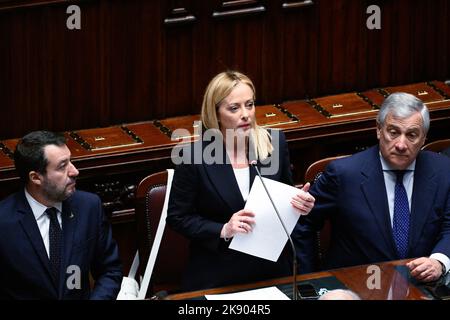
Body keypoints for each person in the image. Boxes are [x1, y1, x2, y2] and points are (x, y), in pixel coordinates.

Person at [167, 71, 315, 291]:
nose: (246, 114)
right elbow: (178, 217)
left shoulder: (274, 144)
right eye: (234, 108)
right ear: (216, 113)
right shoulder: (193, 158)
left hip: (271, 269)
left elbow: (282, 200)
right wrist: (223, 229)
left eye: (250, 104)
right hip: (218, 273)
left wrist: (299, 206)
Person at [296, 92, 450, 283]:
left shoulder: (443, 170)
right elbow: (303, 224)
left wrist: (439, 261)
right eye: (393, 132)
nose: (401, 144)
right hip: (355, 287)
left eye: (411, 135)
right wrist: (310, 281)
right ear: (379, 130)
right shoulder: (343, 174)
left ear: (424, 138)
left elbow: (449, 227)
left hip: (420, 287)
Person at [0, 131, 122, 299]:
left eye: (70, 161)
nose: (74, 171)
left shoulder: (89, 207)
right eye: (62, 166)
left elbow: (110, 270)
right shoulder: (4, 222)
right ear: (36, 177)